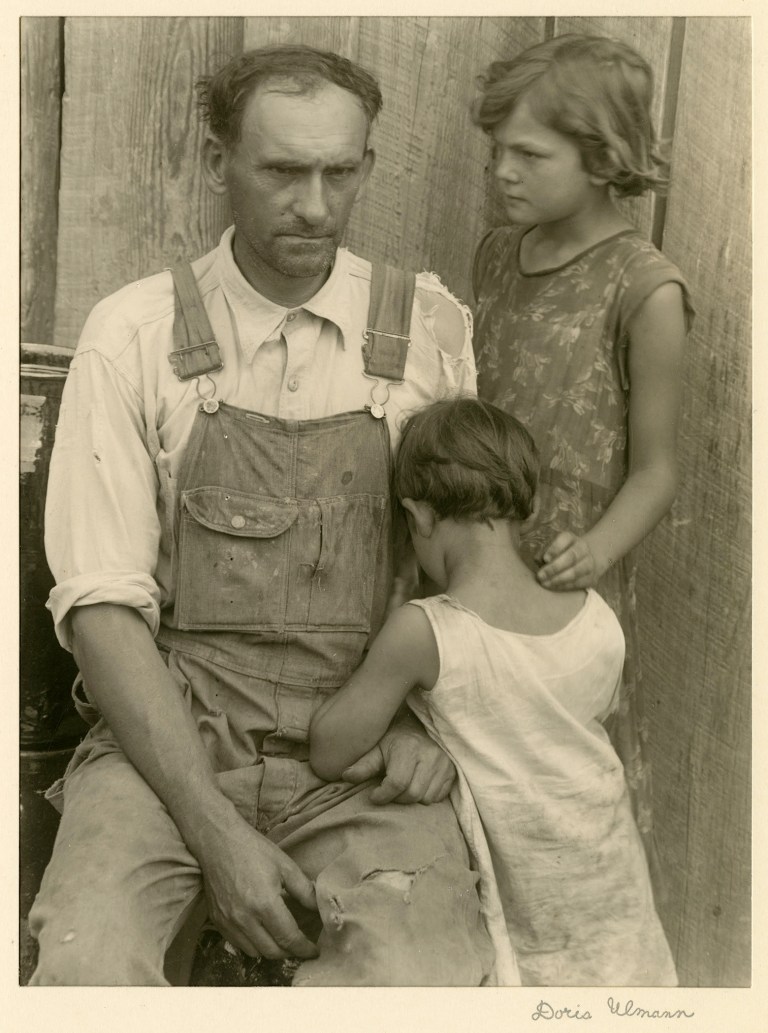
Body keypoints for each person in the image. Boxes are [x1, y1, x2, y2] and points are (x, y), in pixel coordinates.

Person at [29, 44, 496, 986]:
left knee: (422, 976)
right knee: (88, 964)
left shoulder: (429, 337)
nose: (315, 206)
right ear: (218, 164)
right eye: (283, 170)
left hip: (364, 750)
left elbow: (470, 582)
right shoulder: (134, 335)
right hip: (171, 738)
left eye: (341, 171)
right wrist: (213, 830)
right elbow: (101, 610)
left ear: (366, 164)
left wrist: (419, 728)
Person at [310, 396, 678, 986]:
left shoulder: (427, 630)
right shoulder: (596, 617)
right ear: (523, 504)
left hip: (533, 911)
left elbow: (328, 747)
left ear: (420, 516)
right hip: (617, 896)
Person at [470, 34, 694, 863]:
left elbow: (658, 470)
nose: (502, 171)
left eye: (529, 153)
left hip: (569, 586)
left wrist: (595, 550)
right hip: (477, 569)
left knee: (557, 799)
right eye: (497, 151)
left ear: (603, 158)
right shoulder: (499, 253)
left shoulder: (646, 288)